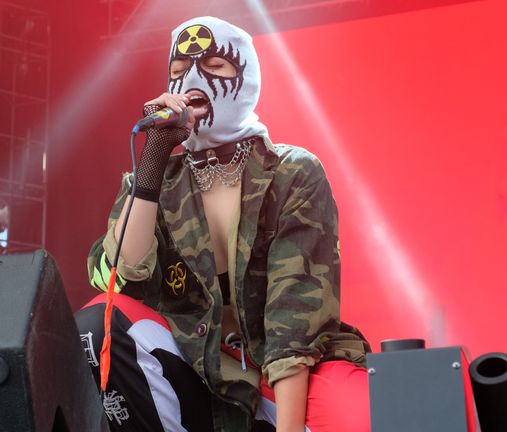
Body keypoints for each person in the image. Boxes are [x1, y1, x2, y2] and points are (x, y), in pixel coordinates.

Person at [76, 16, 371, 432]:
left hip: (277, 375)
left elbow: (295, 314)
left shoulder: (292, 172)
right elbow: (118, 276)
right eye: (179, 69)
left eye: (214, 66)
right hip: (198, 368)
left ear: (246, 78)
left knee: (359, 410)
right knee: (98, 322)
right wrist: (153, 161)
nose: (193, 78)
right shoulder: (156, 179)